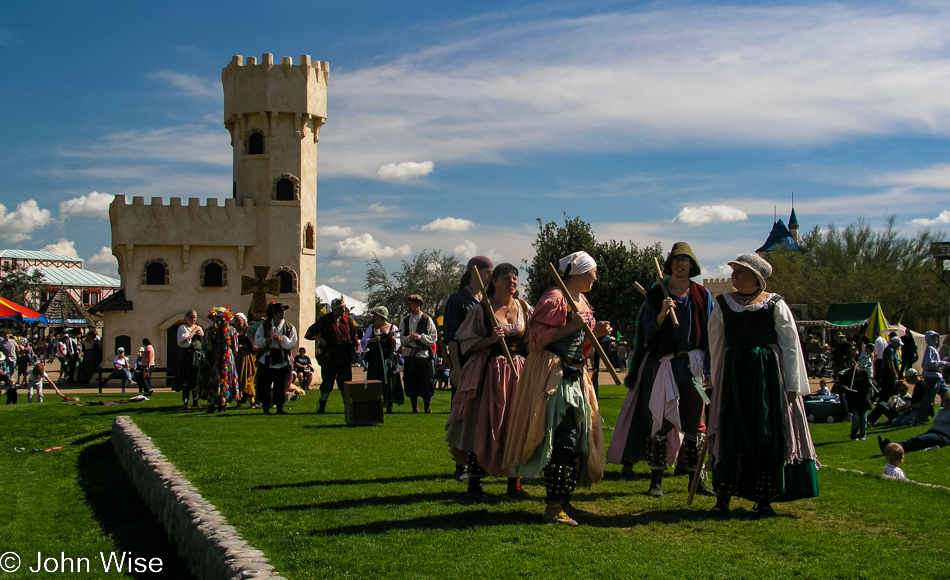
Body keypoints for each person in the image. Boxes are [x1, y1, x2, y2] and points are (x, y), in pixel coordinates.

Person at [503, 251, 611, 526]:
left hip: (575, 374)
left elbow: (580, 343)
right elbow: (536, 339)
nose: (596, 277)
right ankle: (553, 507)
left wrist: (593, 333)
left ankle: (564, 502)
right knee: (561, 436)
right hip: (553, 375)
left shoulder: (582, 300)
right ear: (580, 272)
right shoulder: (555, 299)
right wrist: (571, 326)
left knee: (575, 439)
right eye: (593, 271)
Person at [706, 253, 819, 517]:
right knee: (731, 429)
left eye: (740, 272)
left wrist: (793, 385)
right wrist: (715, 375)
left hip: (765, 375)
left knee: (766, 430)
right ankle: (723, 497)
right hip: (734, 374)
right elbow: (715, 341)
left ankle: (765, 498)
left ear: (755, 277)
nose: (734, 276)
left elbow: (790, 344)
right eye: (733, 271)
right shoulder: (723, 303)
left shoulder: (775, 304)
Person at [607, 242, 714, 497]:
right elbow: (647, 332)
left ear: (692, 264)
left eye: (685, 260)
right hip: (666, 363)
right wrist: (662, 314)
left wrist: (709, 368)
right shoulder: (657, 295)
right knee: (661, 421)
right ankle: (656, 480)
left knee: (694, 423)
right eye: (676, 260)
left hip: (694, 364)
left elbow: (711, 333)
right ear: (670, 265)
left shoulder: (702, 294)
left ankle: (695, 480)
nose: (680, 264)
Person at [445, 263, 532, 497]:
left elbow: (533, 340)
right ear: (493, 281)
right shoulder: (481, 309)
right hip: (489, 372)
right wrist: (490, 338)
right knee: (482, 423)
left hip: (517, 373)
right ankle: (474, 483)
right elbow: (466, 344)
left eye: (515, 278)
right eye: (506, 277)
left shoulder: (524, 307)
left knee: (514, 425)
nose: (512, 281)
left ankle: (514, 483)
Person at [443, 257, 494, 396]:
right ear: (474, 271)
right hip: (465, 360)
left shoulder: (487, 301)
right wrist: (456, 367)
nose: (491, 277)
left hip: (486, 361)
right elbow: (452, 336)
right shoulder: (457, 300)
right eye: (487, 272)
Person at [305, 298, 358, 414]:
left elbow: (354, 338)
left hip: (344, 356)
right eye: (340, 308)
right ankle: (322, 407)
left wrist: (354, 351)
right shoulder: (325, 320)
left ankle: (348, 409)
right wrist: (319, 338)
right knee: (327, 382)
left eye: (344, 307)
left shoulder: (348, 321)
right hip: (330, 356)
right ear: (334, 309)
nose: (343, 310)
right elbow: (310, 332)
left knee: (345, 384)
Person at [254, 301, 298, 415]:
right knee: (265, 384)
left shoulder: (289, 326)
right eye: (280, 311)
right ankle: (266, 407)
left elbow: (293, 343)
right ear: (274, 313)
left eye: (283, 311)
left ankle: (279, 407)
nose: (283, 313)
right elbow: (257, 340)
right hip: (267, 358)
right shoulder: (264, 325)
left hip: (281, 359)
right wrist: (265, 341)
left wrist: (282, 340)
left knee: (280, 384)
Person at [399, 295, 438, 414]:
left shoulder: (426, 319)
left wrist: (420, 337)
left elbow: (433, 336)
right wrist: (408, 338)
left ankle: (427, 406)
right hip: (410, 354)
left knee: (425, 381)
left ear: (418, 305)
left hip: (422, 355)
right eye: (409, 304)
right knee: (411, 381)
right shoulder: (405, 320)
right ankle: (414, 407)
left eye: (411, 304)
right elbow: (400, 337)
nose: (409, 306)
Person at [360, 306, 403, 413]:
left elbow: (397, 344)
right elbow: (364, 341)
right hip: (375, 359)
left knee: (389, 380)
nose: (374, 317)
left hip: (388, 358)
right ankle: (374, 404)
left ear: (382, 316)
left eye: (376, 315)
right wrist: (373, 340)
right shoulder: (372, 328)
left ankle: (389, 404)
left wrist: (391, 337)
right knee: (374, 379)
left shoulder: (392, 328)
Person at [879, 390, 950, 455]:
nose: (947, 403)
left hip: (943, 436)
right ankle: (892, 447)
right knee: (917, 441)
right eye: (945, 401)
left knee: (918, 440)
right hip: (932, 432)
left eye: (949, 400)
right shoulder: (941, 410)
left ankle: (892, 447)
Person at [199, 306, 239, 413]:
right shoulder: (232, 331)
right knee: (222, 378)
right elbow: (235, 348)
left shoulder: (210, 331)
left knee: (216, 378)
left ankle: (214, 402)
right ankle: (222, 401)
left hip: (216, 359)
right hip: (223, 359)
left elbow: (205, 346)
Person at [916, 331, 949, 426]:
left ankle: (945, 414)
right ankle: (920, 418)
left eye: (936, 337)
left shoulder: (933, 349)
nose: (936, 339)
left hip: (937, 376)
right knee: (929, 398)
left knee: (946, 394)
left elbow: (935, 362)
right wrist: (944, 363)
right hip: (932, 376)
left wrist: (945, 360)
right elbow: (928, 363)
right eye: (933, 338)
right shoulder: (930, 348)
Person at [232, 313, 259, 409]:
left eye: (239, 321)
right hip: (237, 358)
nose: (237, 323)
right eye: (235, 321)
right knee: (238, 379)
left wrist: (242, 346)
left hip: (247, 358)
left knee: (248, 379)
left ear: (244, 321)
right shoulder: (234, 332)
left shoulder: (249, 331)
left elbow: (254, 345)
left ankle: (252, 401)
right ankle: (239, 401)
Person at [176, 335, 204, 409]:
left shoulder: (199, 352)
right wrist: (194, 330)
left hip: (197, 363)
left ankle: (196, 401)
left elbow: (203, 336)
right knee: (186, 384)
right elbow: (186, 339)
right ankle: (186, 402)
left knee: (196, 383)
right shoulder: (183, 328)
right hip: (187, 364)